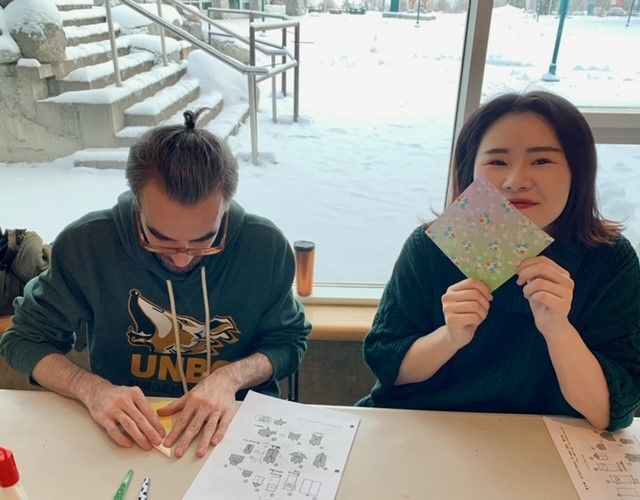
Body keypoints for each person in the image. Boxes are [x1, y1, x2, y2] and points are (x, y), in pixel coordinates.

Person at [0, 109, 311, 457]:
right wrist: (91, 389)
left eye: (204, 241)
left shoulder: (263, 246)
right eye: (159, 239)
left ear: (226, 205)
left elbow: (289, 342)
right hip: (126, 436)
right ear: (137, 204)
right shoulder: (88, 244)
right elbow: (24, 340)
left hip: (234, 433)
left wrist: (230, 378)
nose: (182, 259)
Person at [357, 91, 640, 431]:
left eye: (542, 161)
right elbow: (389, 367)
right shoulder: (434, 246)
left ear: (577, 173)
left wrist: (558, 330)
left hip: (543, 442)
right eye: (497, 162)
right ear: (470, 171)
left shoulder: (609, 260)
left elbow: (611, 412)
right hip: (426, 427)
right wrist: (449, 337)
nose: (516, 180)